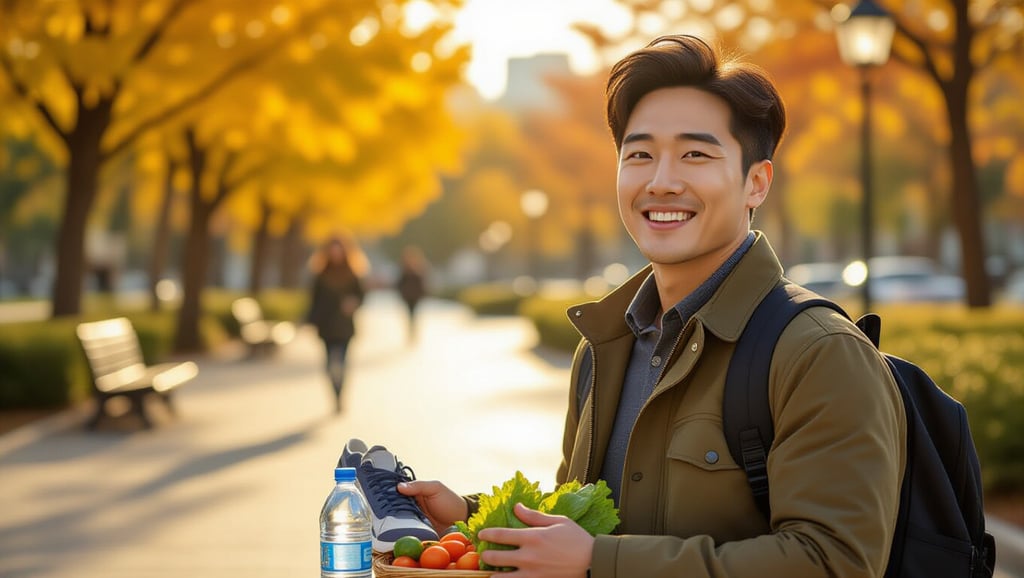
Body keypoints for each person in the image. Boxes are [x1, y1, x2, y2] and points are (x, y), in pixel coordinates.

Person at [398, 34, 906, 577]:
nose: (661, 182)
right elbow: (585, 522)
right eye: (639, 155)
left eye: (695, 154)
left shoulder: (817, 353)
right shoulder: (604, 346)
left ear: (756, 182)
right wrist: (473, 519)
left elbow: (836, 563)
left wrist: (601, 563)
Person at [307, 235, 368, 413]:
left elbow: (361, 296)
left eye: (338, 249)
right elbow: (313, 300)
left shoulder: (352, 273)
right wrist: (311, 321)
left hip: (344, 325)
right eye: (332, 249)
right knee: (329, 365)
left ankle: (340, 396)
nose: (335, 253)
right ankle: (335, 395)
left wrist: (354, 303)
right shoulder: (320, 274)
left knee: (341, 363)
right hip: (326, 325)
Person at [396, 245, 429, 343]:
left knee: (413, 314)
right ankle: (411, 331)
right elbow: (399, 283)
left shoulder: (417, 269)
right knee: (410, 314)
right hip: (407, 296)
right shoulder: (405, 269)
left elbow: (422, 283)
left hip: (415, 296)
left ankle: (413, 331)